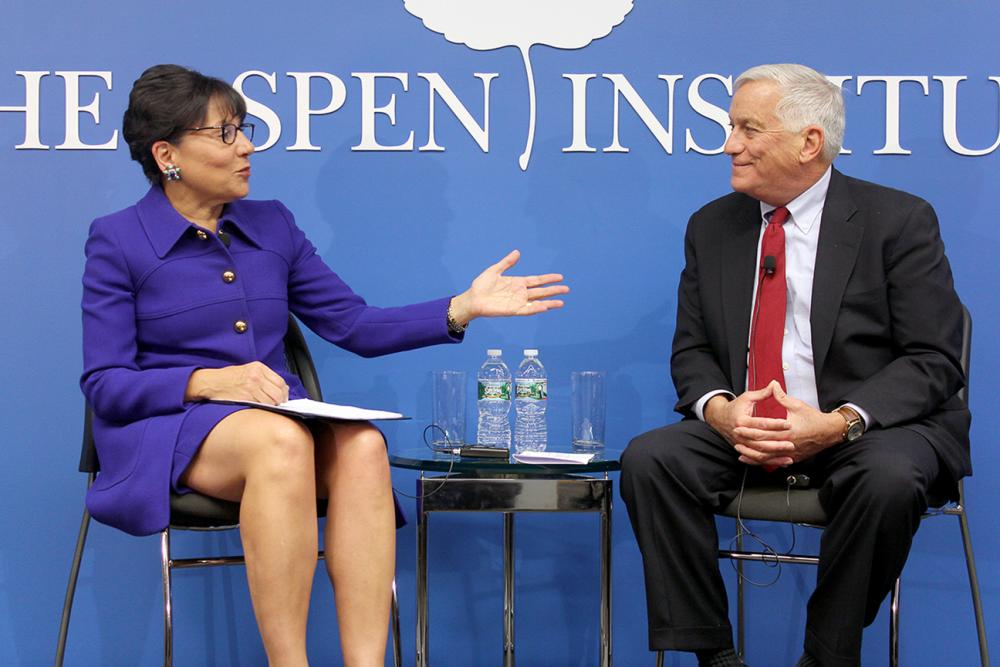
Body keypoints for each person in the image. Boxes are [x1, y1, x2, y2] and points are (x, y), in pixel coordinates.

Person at [80, 64, 569, 667]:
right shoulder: (118, 240)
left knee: (363, 446)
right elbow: (106, 385)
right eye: (226, 133)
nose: (248, 146)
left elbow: (354, 326)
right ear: (167, 154)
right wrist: (209, 382)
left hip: (275, 423)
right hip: (168, 430)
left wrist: (461, 307)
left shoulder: (273, 224)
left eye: (245, 128)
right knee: (282, 443)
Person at [620, 63, 969, 667]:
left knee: (888, 480)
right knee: (653, 460)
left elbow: (933, 357)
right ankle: (714, 656)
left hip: (868, 432)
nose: (729, 144)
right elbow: (692, 350)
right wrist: (723, 412)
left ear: (809, 142)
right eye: (731, 126)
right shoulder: (712, 226)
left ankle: (826, 657)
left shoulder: (898, 221)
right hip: (748, 432)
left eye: (748, 129)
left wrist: (840, 422)